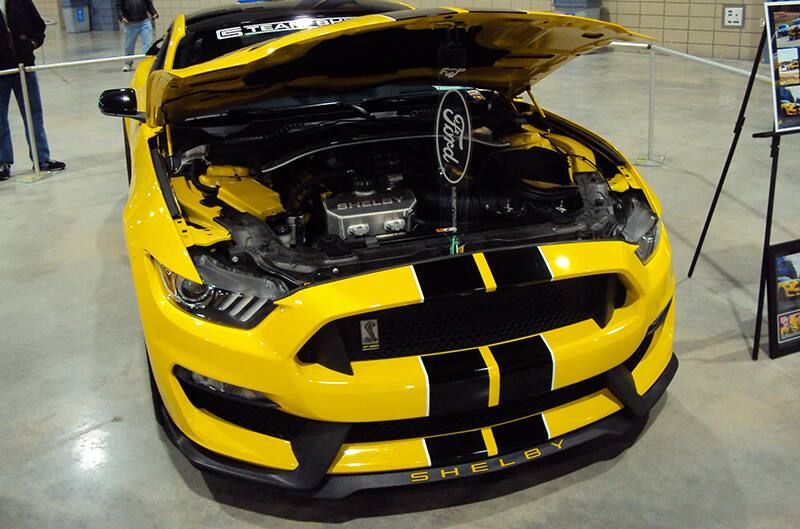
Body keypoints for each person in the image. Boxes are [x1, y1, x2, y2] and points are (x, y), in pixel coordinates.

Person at [0, 0, 65, 181]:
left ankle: (41, 160)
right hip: (1, 71)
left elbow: (38, 25)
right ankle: (3, 163)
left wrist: (32, 43)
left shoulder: (20, 1)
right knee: (0, 119)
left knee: (33, 115)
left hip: (24, 67)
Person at [116, 0, 158, 72]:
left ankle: (146, 63)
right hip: (130, 24)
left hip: (144, 22)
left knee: (148, 44)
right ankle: (128, 64)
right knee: (129, 46)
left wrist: (153, 12)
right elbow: (118, 6)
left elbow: (148, 3)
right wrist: (121, 17)